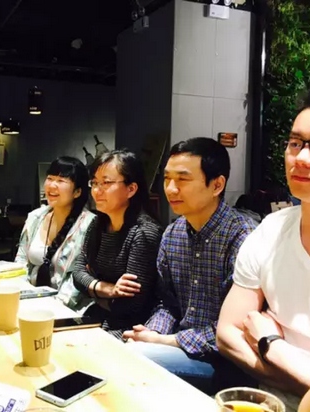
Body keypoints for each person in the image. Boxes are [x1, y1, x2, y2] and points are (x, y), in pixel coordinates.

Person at [216, 81, 310, 411]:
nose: (301, 158)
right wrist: (305, 382)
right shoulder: (272, 229)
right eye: (295, 143)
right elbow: (227, 333)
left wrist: (272, 345)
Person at [123, 138, 257, 394]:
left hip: (227, 361)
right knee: (128, 349)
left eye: (183, 180)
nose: (171, 189)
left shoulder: (243, 237)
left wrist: (165, 341)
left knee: (135, 361)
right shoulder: (173, 234)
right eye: (167, 179)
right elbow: (167, 303)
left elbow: (238, 329)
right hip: (179, 348)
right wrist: (151, 332)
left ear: (217, 185)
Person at [71, 149, 162, 339]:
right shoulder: (98, 224)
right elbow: (77, 273)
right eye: (95, 183)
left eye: (106, 183)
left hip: (129, 329)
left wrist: (92, 291)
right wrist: (109, 289)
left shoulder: (143, 233)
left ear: (131, 189)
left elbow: (130, 306)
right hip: (97, 318)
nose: (97, 190)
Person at [15, 156, 95, 312]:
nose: (52, 185)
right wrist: (23, 294)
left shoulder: (89, 225)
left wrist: (52, 308)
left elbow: (78, 278)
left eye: (61, 181)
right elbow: (21, 261)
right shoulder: (35, 217)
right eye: (50, 178)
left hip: (68, 309)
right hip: (29, 302)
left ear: (77, 192)